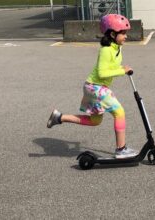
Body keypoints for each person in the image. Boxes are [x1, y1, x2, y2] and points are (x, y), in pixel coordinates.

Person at [47, 14, 138, 159]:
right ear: (113, 34)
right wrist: (122, 71)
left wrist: (122, 67)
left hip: (95, 87)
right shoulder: (106, 50)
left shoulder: (117, 48)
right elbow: (102, 73)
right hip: (96, 87)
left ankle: (59, 117)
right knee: (119, 112)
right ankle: (121, 149)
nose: (126, 36)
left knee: (95, 121)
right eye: (123, 33)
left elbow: (110, 66)